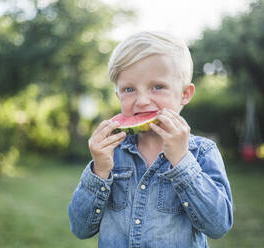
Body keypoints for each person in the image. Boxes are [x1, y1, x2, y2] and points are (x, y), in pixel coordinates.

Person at [68, 31, 233, 248]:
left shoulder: (202, 152)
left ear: (185, 94)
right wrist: (99, 171)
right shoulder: (111, 153)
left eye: (158, 87)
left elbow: (218, 225)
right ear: (118, 95)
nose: (142, 101)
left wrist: (182, 161)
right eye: (129, 89)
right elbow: (80, 228)